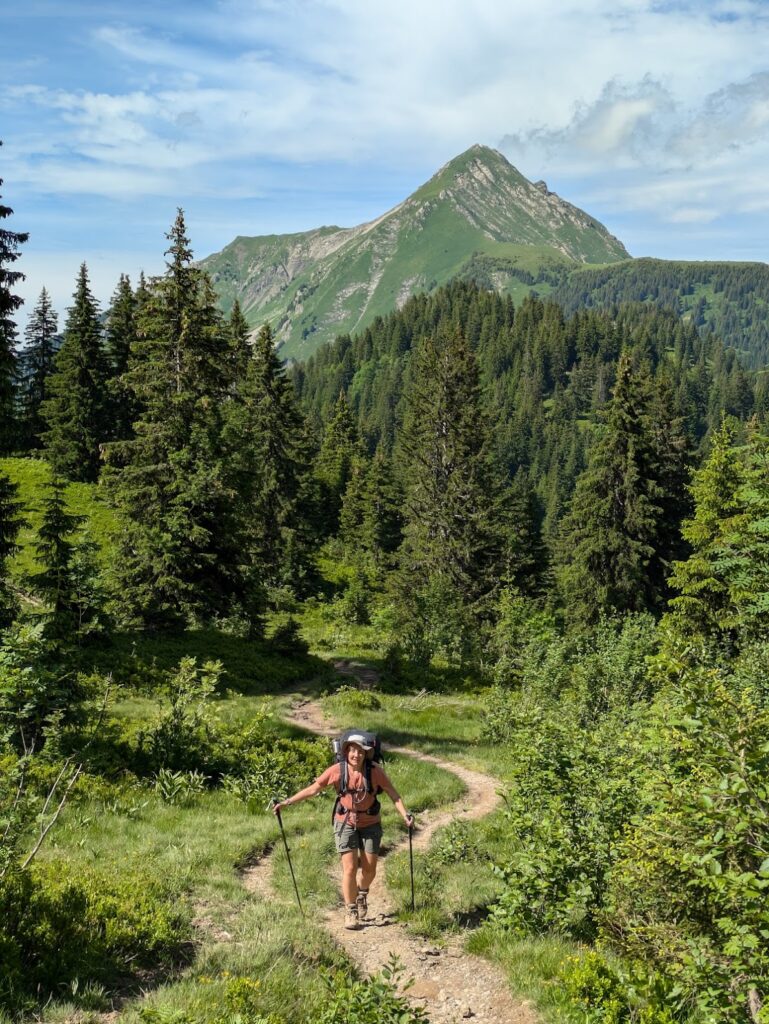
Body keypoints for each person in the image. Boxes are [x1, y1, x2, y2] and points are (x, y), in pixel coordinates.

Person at [273, 733, 414, 930]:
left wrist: (405, 815)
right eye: (352, 750)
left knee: (369, 869)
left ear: (366, 753)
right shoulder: (337, 770)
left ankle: (361, 892)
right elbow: (314, 789)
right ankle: (351, 910)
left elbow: (393, 795)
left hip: (370, 822)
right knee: (349, 868)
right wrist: (286, 802)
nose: (355, 755)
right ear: (346, 751)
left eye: (360, 751)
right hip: (345, 822)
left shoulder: (375, 772)